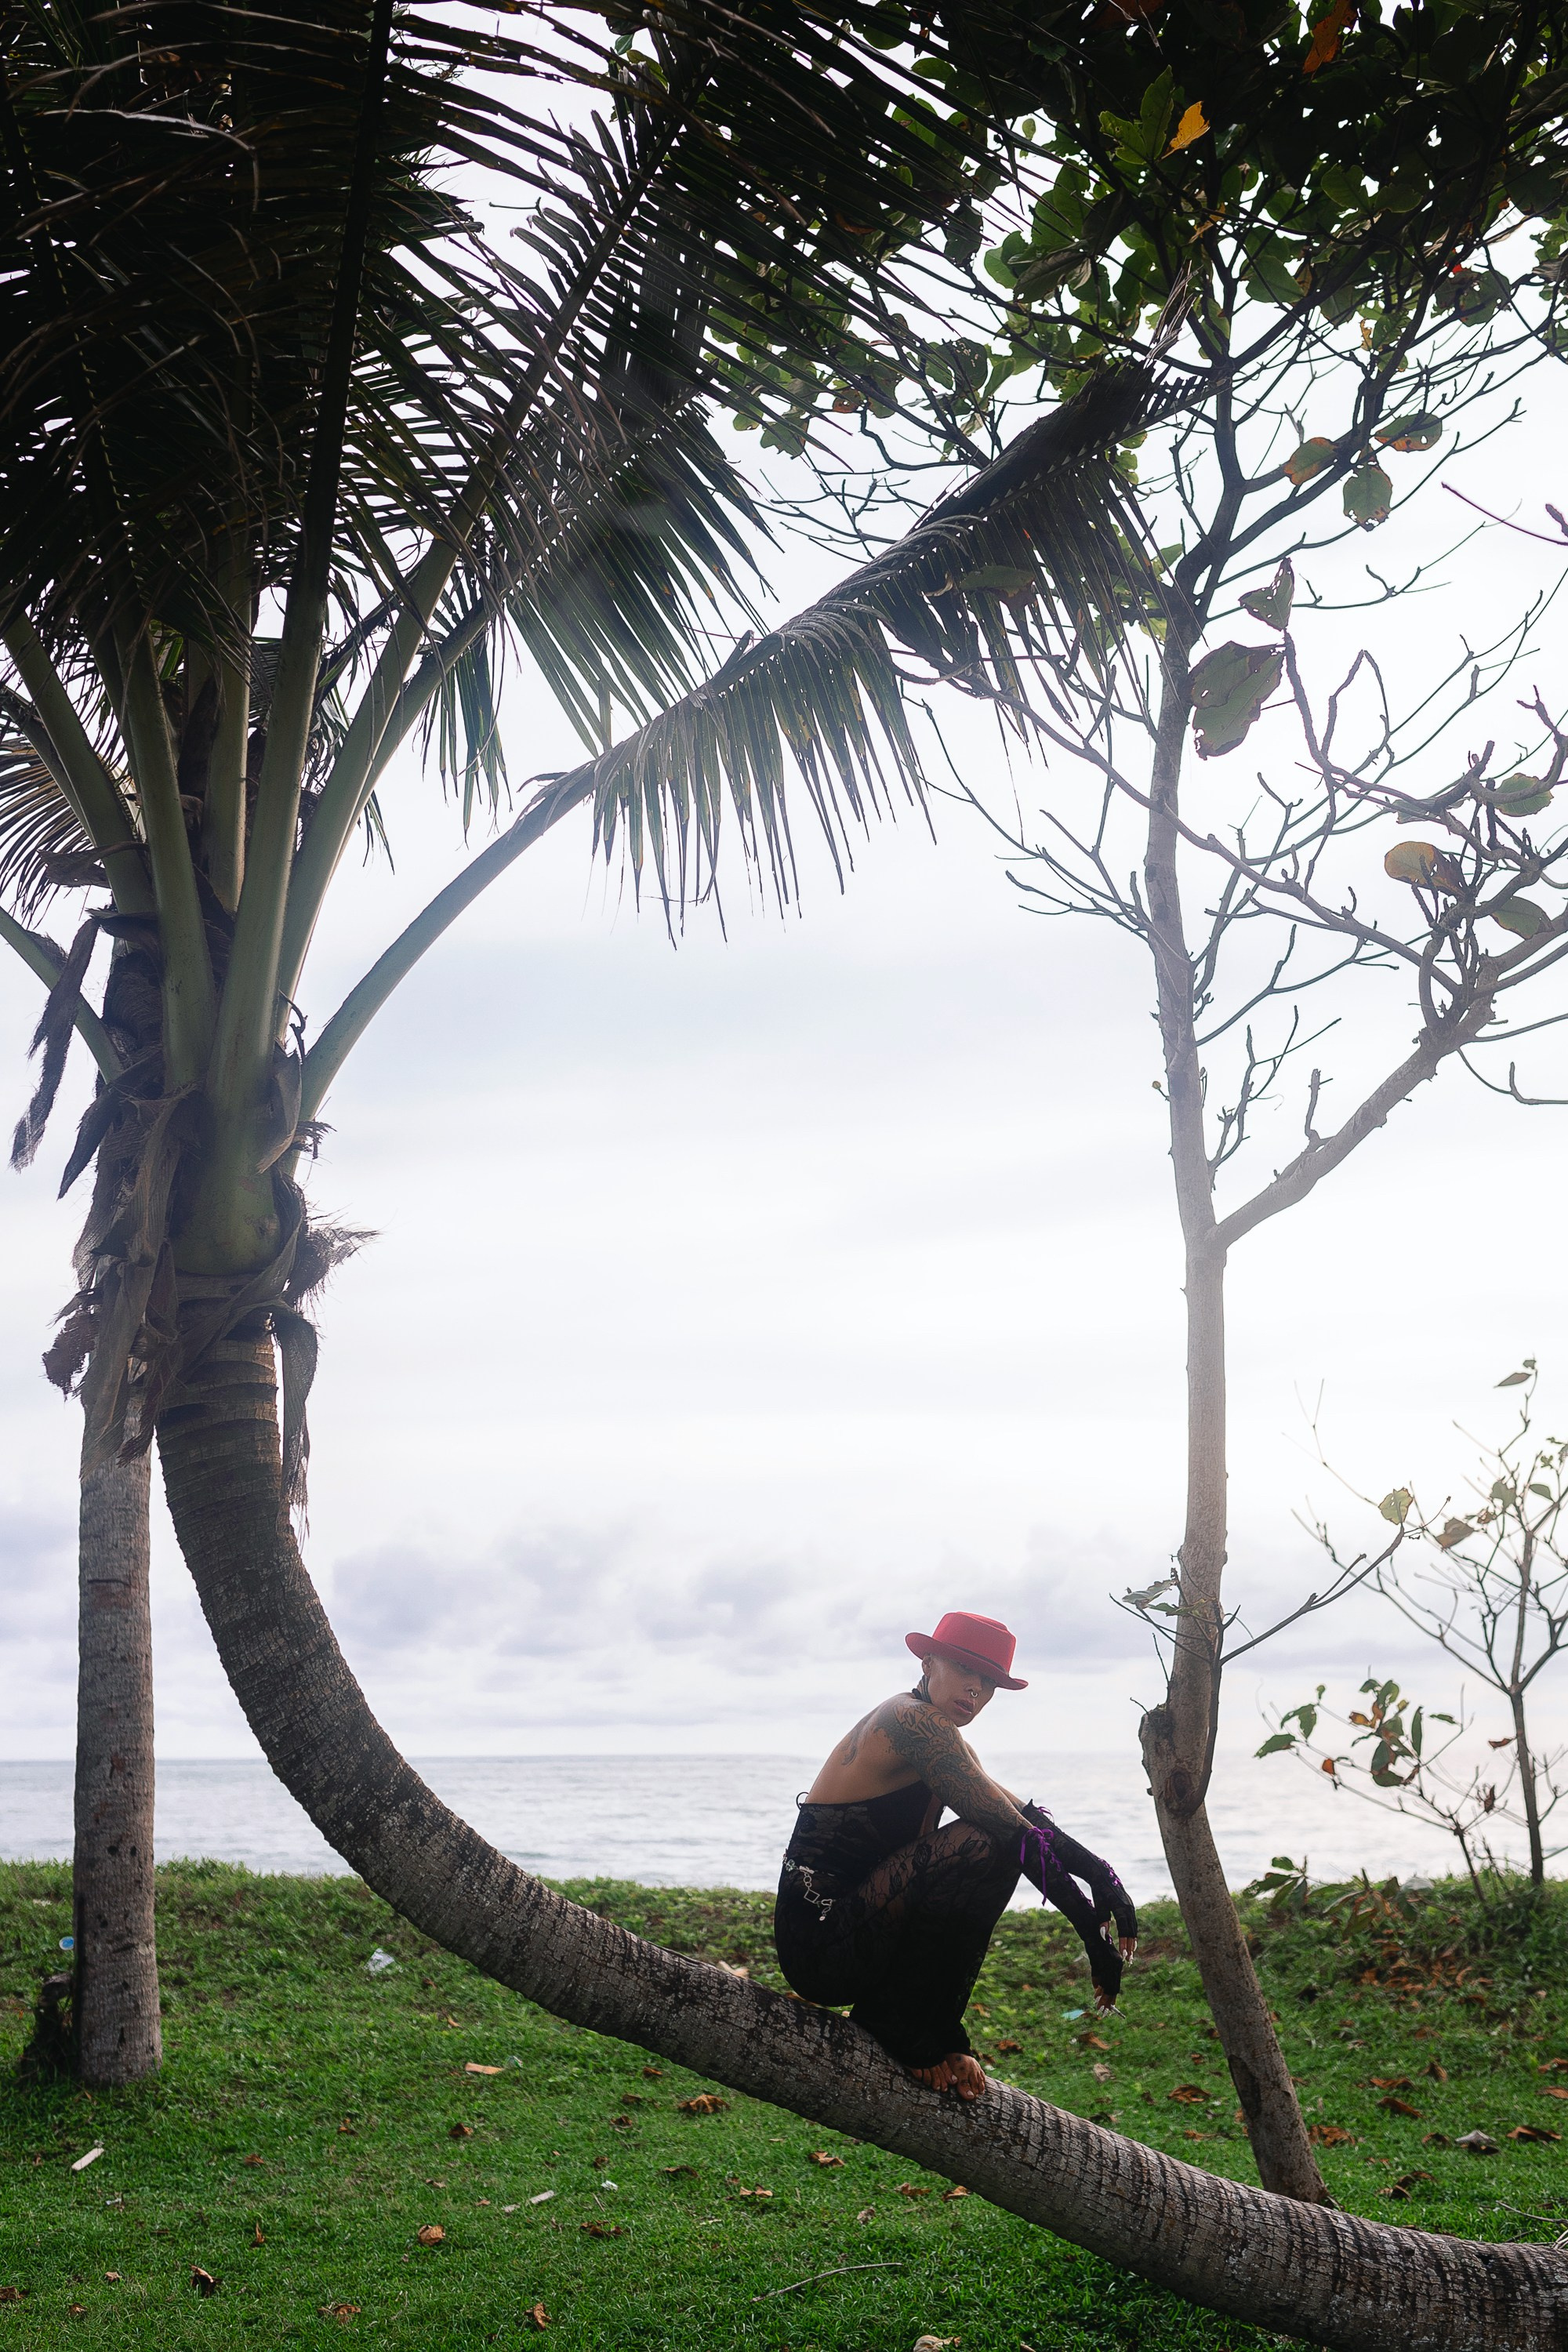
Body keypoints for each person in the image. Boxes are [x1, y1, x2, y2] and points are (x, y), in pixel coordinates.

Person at [775, 1610, 1137, 2100]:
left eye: (988, 1683)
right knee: (985, 1841)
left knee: (995, 1844)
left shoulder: (946, 1740)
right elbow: (1012, 1832)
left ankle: (934, 2028)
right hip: (821, 1945)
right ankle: (899, 2026)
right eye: (965, 1671)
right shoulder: (905, 1719)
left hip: (874, 1945)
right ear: (928, 1663)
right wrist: (1094, 1937)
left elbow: (1026, 1818)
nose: (976, 1692)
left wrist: (1107, 1883)